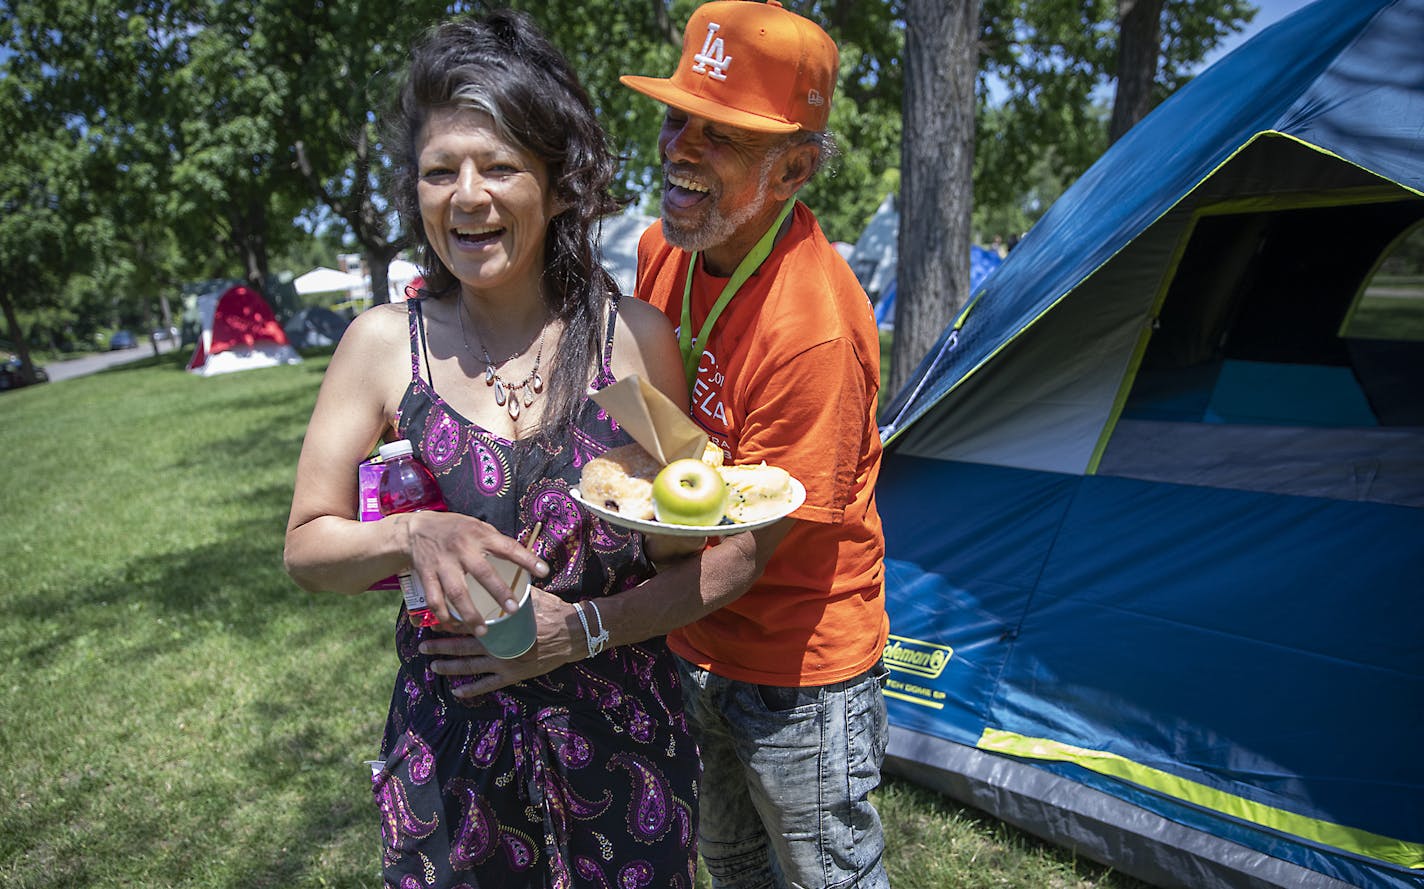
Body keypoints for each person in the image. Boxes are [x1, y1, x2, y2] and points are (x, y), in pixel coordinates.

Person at [423, 3, 892, 887]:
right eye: (679, 117)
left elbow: (749, 553)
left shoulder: (816, 332)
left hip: (798, 665)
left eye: (722, 136)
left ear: (792, 168)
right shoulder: (660, 250)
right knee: (731, 863)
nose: (682, 148)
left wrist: (582, 628)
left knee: (828, 874)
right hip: (684, 636)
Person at [282, 11, 700, 887]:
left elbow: (692, 558)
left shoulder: (633, 341)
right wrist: (411, 533)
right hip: (450, 762)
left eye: (500, 165)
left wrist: (593, 616)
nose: (466, 195)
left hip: (626, 758)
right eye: (441, 171)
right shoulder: (381, 346)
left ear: (557, 185)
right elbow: (306, 547)